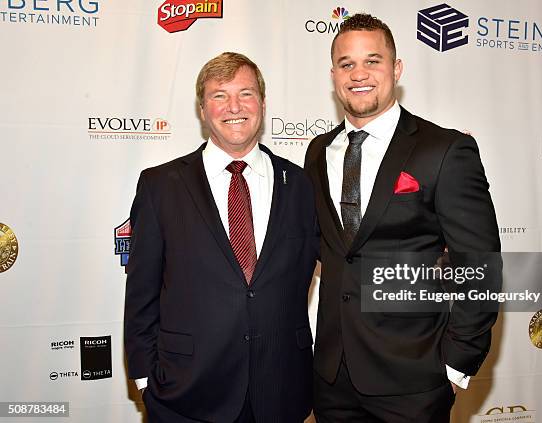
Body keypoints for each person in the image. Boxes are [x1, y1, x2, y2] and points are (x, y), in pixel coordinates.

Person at [304, 14, 501, 422]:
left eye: (372, 61)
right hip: (331, 379)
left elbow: (479, 266)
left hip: (414, 382)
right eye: (347, 64)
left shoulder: (445, 149)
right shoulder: (318, 151)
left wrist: (455, 365)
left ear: (396, 69)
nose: (359, 74)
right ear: (333, 75)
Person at [124, 52, 319, 423]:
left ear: (262, 103)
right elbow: (141, 294)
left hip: (282, 390)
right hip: (186, 393)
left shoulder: (299, 184)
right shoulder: (160, 185)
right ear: (202, 109)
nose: (234, 106)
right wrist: (147, 379)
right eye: (219, 95)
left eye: (246, 94)